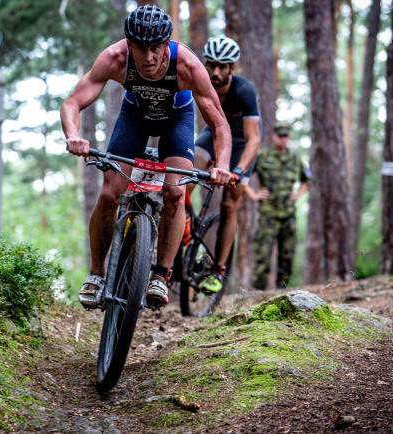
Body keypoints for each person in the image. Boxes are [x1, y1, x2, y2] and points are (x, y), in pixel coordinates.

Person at [61, 5, 233, 309]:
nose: (149, 57)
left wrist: (223, 165)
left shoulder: (188, 66)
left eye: (156, 48)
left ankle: (160, 275)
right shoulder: (115, 58)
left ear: (167, 44)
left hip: (177, 120)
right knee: (111, 192)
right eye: (141, 49)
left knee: (175, 192)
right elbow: (73, 102)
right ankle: (97, 274)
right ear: (129, 45)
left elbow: (219, 123)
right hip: (134, 117)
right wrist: (74, 135)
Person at [192, 35, 262, 293]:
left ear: (233, 68)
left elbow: (255, 139)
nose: (216, 71)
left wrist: (239, 170)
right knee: (184, 178)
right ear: (206, 64)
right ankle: (186, 228)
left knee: (229, 204)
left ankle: (218, 270)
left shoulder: (243, 91)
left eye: (223, 66)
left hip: (241, 144)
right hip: (211, 136)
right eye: (212, 65)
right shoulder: (199, 83)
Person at [244, 123, 309, 290]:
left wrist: (298, 194)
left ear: (289, 137)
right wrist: (254, 194)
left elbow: (307, 180)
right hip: (268, 214)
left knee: (287, 255)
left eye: (285, 136)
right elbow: (243, 176)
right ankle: (258, 292)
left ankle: (282, 291)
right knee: (263, 254)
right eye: (280, 136)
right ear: (273, 137)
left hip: (288, 213)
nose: (282, 139)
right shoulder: (263, 156)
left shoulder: (295, 159)